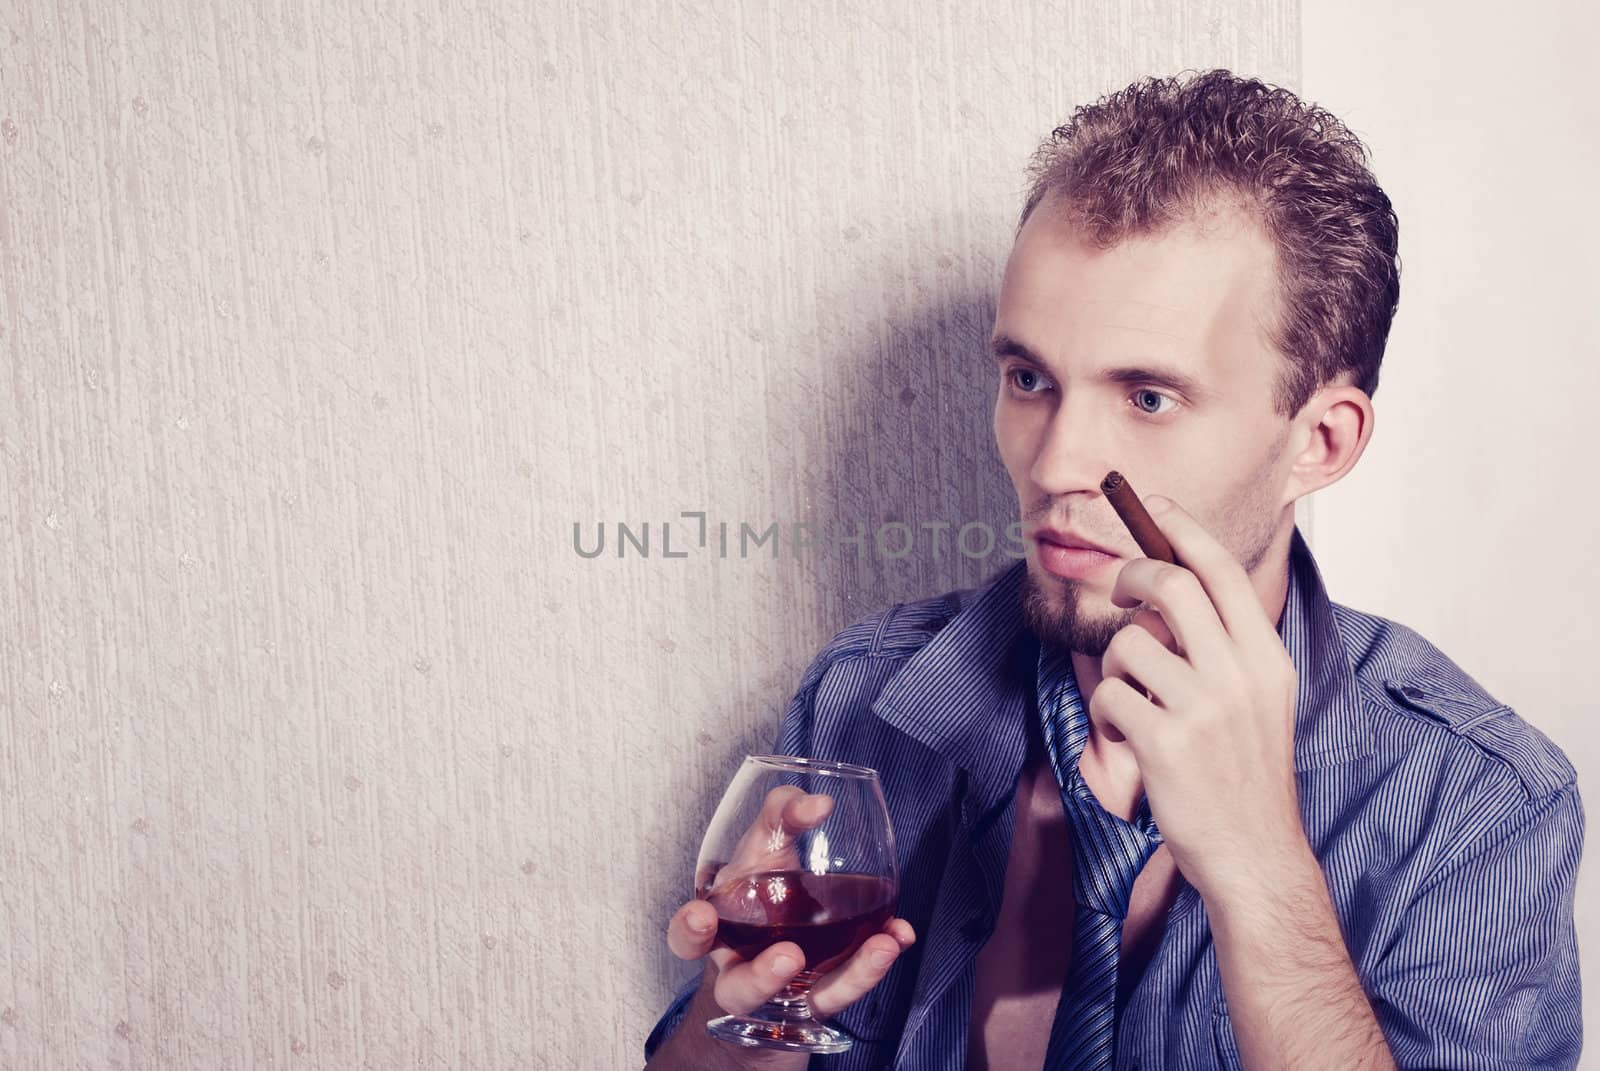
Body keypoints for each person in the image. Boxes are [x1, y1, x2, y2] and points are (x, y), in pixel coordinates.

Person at [642, 68, 1585, 1070]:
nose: (1052, 467)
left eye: (1147, 399)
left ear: (1318, 441)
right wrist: (740, 1024)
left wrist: (1261, 872)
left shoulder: (1476, 800)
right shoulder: (864, 698)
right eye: (1028, 378)